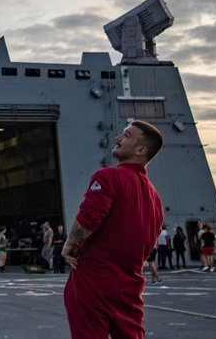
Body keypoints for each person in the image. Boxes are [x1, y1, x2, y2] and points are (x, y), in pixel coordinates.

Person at [61, 121, 164, 338]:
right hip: (130, 286)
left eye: (126, 135)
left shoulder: (108, 176)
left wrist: (70, 245)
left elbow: (89, 218)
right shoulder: (154, 198)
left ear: (140, 150)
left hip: (94, 280)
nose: (118, 138)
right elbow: (148, 243)